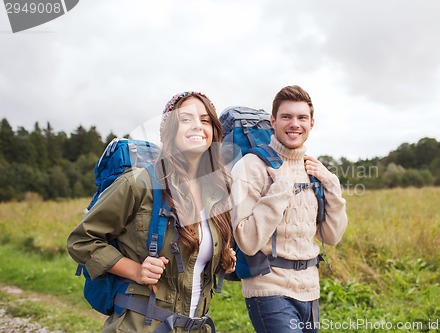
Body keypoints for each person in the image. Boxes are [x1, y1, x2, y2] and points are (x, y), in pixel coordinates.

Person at [67, 91, 236, 332]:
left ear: (214, 131)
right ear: (169, 131)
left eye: (205, 120)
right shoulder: (139, 183)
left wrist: (222, 256)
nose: (197, 126)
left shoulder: (217, 191)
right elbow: (82, 240)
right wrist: (135, 270)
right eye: (186, 119)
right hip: (140, 325)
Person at [230, 85, 348, 332]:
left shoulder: (313, 168)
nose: (295, 124)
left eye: (302, 117)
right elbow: (247, 241)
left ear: (311, 123)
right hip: (268, 288)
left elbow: (331, 237)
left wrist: (332, 186)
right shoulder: (251, 166)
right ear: (273, 121)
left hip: (310, 288)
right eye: (286, 116)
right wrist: (280, 191)